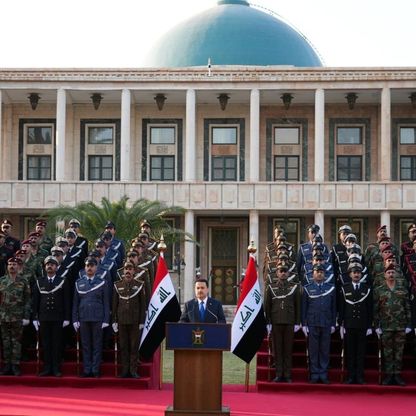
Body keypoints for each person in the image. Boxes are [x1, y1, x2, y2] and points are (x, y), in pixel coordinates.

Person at [32, 256, 71, 377]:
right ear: (44, 267)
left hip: (58, 318)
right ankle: (47, 367)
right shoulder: (39, 282)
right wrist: (34, 317)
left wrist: (67, 318)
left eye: (52, 264)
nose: (50, 266)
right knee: (46, 344)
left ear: (56, 267)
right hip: (44, 318)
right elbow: (35, 302)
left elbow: (67, 301)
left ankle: (56, 368)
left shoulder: (63, 281)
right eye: (47, 264)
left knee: (57, 344)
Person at [373, 263, 412, 386]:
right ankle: (389, 376)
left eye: (392, 272)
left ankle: (398, 376)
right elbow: (376, 309)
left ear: (395, 274)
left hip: (400, 326)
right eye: (388, 273)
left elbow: (407, 307)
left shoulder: (402, 289)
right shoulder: (379, 290)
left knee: (399, 353)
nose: (390, 274)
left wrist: (409, 324)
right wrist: (376, 326)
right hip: (386, 326)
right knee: (388, 353)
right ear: (384, 275)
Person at [72, 257, 110, 378]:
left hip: (97, 318)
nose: (89, 268)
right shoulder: (79, 283)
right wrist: (75, 319)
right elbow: (75, 303)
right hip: (83, 317)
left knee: (97, 344)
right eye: (87, 265)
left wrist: (106, 320)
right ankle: (87, 369)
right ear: (85, 267)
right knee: (86, 345)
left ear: (96, 268)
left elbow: (106, 302)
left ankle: (95, 369)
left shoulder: (102, 282)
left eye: (92, 265)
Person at [264, 262, 301, 383]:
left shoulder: (294, 287)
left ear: (288, 273)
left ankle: (287, 374)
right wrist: (268, 322)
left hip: (289, 322)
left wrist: (297, 322)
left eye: (285, 271)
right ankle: (279, 374)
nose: (283, 273)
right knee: (277, 350)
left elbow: (298, 306)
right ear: (277, 273)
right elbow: (267, 306)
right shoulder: (271, 287)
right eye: (281, 271)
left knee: (288, 350)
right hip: (275, 322)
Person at [338, 263, 373, 384]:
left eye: (358, 273)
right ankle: (351, 376)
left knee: (360, 352)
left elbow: (370, 308)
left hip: (362, 325)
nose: (356, 274)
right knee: (350, 352)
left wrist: (369, 325)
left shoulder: (367, 289)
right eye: (354, 272)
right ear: (350, 274)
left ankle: (359, 376)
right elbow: (341, 308)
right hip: (349, 325)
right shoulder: (345, 288)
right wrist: (341, 324)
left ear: (361, 275)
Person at [302, 263, 336, 384]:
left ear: (325, 274)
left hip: (326, 323)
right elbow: (304, 307)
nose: (320, 274)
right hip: (312, 323)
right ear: (313, 274)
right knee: (313, 349)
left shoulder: (330, 288)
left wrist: (333, 323)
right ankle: (315, 374)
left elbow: (333, 307)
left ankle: (323, 374)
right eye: (317, 272)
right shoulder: (307, 288)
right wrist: (304, 324)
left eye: (322, 272)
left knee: (324, 350)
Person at [112, 261, 146, 378]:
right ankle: (125, 370)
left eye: (130, 269)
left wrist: (142, 321)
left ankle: (133, 370)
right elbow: (114, 304)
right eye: (126, 269)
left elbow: (143, 305)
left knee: (134, 346)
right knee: (123, 346)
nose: (128, 271)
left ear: (134, 271)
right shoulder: (117, 285)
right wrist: (114, 321)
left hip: (135, 321)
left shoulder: (139, 284)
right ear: (123, 271)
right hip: (121, 320)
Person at [0, 257, 31, 375]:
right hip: (3, 316)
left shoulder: (23, 281)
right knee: (6, 341)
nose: (12, 266)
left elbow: (28, 300)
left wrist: (26, 316)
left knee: (17, 342)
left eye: (14, 264)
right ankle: (7, 365)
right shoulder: (2, 281)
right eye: (10, 264)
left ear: (18, 266)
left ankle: (15, 365)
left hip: (18, 316)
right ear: (7, 266)